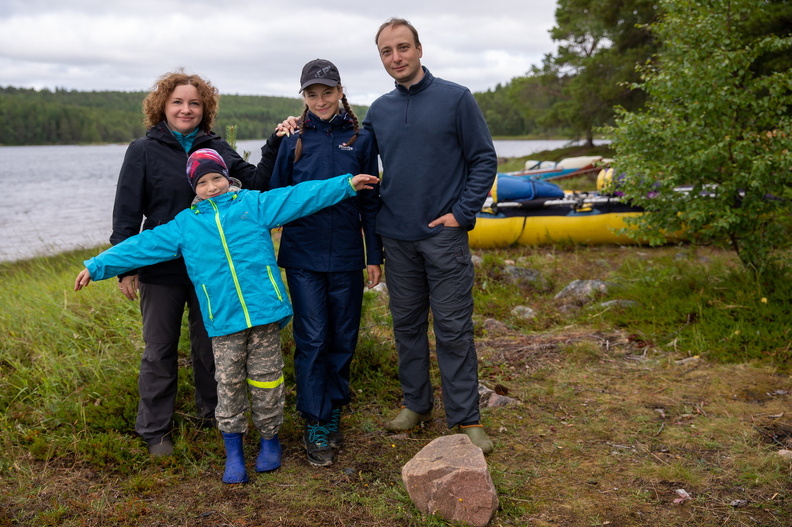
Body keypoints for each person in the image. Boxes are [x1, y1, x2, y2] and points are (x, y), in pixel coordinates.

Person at [75, 149, 379, 483]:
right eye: (202, 182)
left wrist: (346, 184)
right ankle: (233, 452)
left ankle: (269, 440)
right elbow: (141, 245)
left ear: (226, 177)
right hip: (223, 320)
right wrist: (96, 266)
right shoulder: (185, 225)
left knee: (268, 381)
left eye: (216, 178)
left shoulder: (253, 204)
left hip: (264, 314)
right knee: (229, 385)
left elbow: (299, 197)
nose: (211, 187)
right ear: (194, 187)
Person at [111, 70, 280, 456]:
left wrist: (275, 144)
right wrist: (126, 265)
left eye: (194, 103)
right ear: (163, 106)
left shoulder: (216, 147)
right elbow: (126, 211)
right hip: (161, 271)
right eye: (178, 102)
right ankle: (155, 431)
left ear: (205, 109)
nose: (186, 109)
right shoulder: (142, 150)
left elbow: (254, 183)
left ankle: (213, 414)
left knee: (211, 347)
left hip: (213, 271)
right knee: (159, 348)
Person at [362, 18, 498, 454]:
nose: (396, 57)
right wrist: (298, 127)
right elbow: (352, 157)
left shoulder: (456, 99)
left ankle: (467, 417)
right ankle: (416, 405)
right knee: (406, 326)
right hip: (396, 238)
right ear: (381, 58)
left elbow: (483, 160)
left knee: (455, 329)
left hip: (443, 237)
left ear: (419, 49)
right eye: (387, 51)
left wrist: (462, 214)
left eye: (403, 48)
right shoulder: (379, 110)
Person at [270, 59, 382, 467]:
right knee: (313, 338)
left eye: (327, 92)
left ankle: (334, 403)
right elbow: (275, 200)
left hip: (348, 257)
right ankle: (316, 419)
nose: (320, 100)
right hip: (303, 257)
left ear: (340, 92)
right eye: (312, 94)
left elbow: (371, 202)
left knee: (343, 336)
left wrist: (374, 255)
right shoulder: (292, 140)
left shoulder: (360, 138)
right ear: (303, 97)